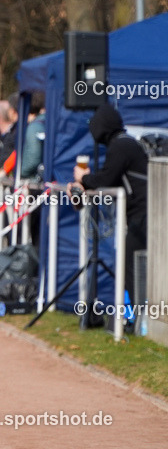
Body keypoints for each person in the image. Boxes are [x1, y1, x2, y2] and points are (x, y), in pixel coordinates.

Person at [74, 103, 148, 303]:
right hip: (140, 215)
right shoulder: (125, 143)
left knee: (132, 265)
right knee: (131, 265)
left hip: (142, 216)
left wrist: (84, 178)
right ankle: (133, 315)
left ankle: (139, 317)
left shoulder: (121, 145)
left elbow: (106, 179)